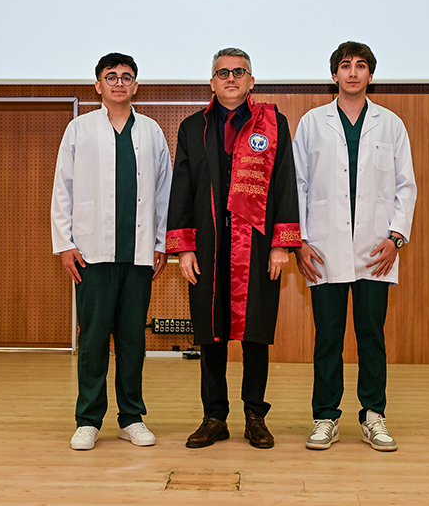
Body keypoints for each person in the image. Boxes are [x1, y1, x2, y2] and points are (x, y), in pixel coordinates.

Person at [166, 48, 302, 449]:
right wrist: (184, 247)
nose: (230, 78)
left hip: (256, 245)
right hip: (208, 246)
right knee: (211, 334)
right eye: (223, 73)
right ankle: (214, 417)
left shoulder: (273, 123)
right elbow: (182, 188)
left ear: (251, 81)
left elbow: (285, 183)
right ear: (211, 82)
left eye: (238, 72)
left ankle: (255, 416)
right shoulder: (193, 127)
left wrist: (281, 245)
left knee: (255, 332)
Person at [292, 42, 416, 452]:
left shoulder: (390, 124)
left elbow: (405, 186)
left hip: (375, 250)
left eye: (361, 66)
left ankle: (373, 416)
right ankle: (325, 417)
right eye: (345, 66)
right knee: (328, 338)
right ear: (334, 75)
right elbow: (298, 185)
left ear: (370, 75)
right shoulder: (312, 123)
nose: (352, 73)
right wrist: (300, 242)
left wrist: (396, 238)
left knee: (371, 338)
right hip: (323, 248)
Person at [51, 52, 172, 451]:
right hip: (91, 254)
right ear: (98, 85)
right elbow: (63, 188)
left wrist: (161, 243)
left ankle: (131, 418)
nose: (119, 83)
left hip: (138, 255)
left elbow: (164, 192)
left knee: (133, 340)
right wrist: (65, 244)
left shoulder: (151, 131)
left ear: (136, 85)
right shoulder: (79, 129)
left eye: (126, 77)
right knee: (93, 340)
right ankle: (88, 420)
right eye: (111, 76)